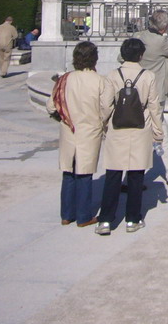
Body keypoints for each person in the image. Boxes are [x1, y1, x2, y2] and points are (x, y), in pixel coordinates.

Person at [95, 38, 163, 235]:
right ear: (141, 55)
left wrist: (103, 124)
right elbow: (154, 107)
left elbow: (106, 105)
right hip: (140, 129)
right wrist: (158, 132)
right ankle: (133, 219)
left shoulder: (112, 75)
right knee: (135, 176)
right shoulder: (148, 75)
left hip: (117, 129)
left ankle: (106, 220)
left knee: (113, 175)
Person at [46, 41, 112, 227]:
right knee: (84, 173)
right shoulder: (101, 81)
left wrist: (62, 117)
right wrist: (100, 122)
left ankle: (66, 215)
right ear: (95, 59)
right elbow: (107, 108)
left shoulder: (64, 79)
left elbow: (51, 105)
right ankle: (83, 216)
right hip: (90, 130)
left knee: (68, 172)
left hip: (69, 129)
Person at [133, 10, 168, 187]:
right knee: (162, 133)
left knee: (136, 133)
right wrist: (165, 37)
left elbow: (121, 57)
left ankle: (130, 177)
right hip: (155, 93)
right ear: (165, 27)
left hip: (136, 91)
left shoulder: (138, 37)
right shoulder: (162, 42)